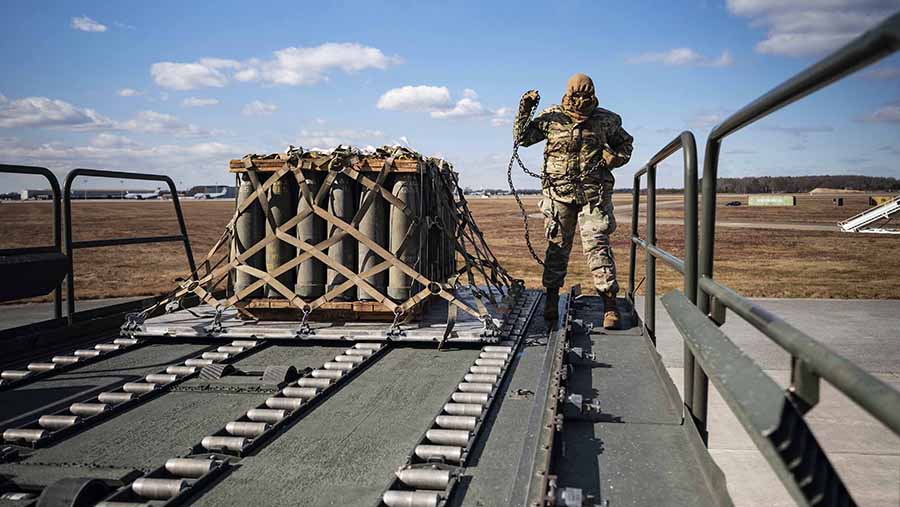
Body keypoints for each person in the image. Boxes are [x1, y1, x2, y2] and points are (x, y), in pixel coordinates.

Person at [514, 73, 633, 328]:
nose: (580, 101)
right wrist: (524, 110)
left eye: (585, 96)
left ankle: (609, 304)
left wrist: (616, 158)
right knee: (557, 247)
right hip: (559, 194)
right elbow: (523, 139)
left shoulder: (607, 120)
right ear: (568, 94)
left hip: (593, 194)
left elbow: (625, 145)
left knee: (598, 246)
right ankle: (551, 298)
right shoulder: (552, 118)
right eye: (575, 95)